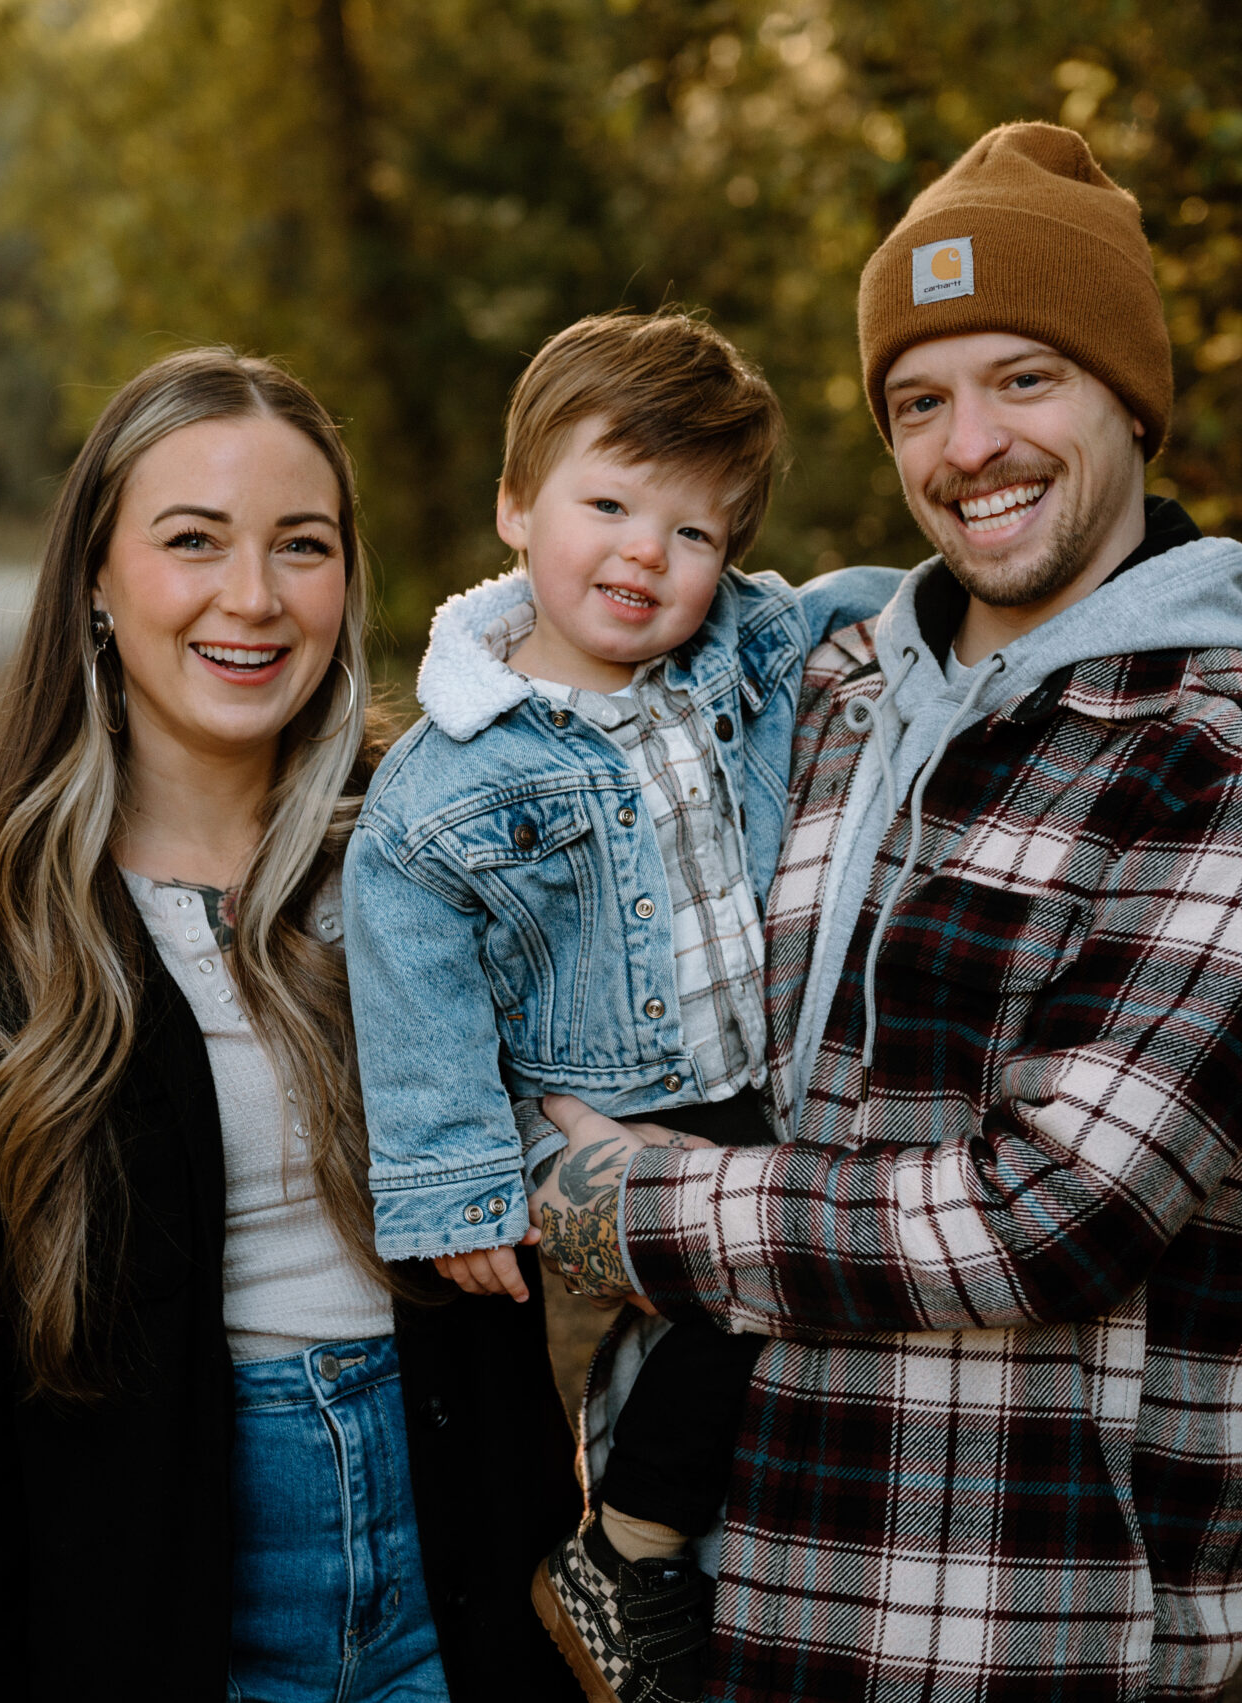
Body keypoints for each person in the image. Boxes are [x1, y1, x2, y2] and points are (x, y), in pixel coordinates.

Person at [526, 123, 1242, 1700]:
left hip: (994, 1632)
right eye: (921, 400)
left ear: (1132, 397)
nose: (968, 444)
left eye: (1026, 379)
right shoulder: (825, 685)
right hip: (693, 1605)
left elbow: (1048, 1215)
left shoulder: (1231, 765)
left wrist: (599, 1201)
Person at [0, 347, 582, 1702]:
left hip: (462, 1584)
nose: (254, 597)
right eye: (194, 542)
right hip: (146, 1609)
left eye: (303, 546)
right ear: (98, 582)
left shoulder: (437, 855)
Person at [342, 310, 897, 1703]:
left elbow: (868, 601)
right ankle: (626, 1547)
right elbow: (409, 969)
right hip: (598, 1096)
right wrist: (455, 1174)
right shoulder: (449, 774)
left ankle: (705, 1551)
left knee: (783, 1304)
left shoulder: (736, 663)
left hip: (748, 1079)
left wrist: (1003, 596)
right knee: (751, 1291)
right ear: (517, 506)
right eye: (608, 505)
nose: (647, 554)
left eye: (695, 533)